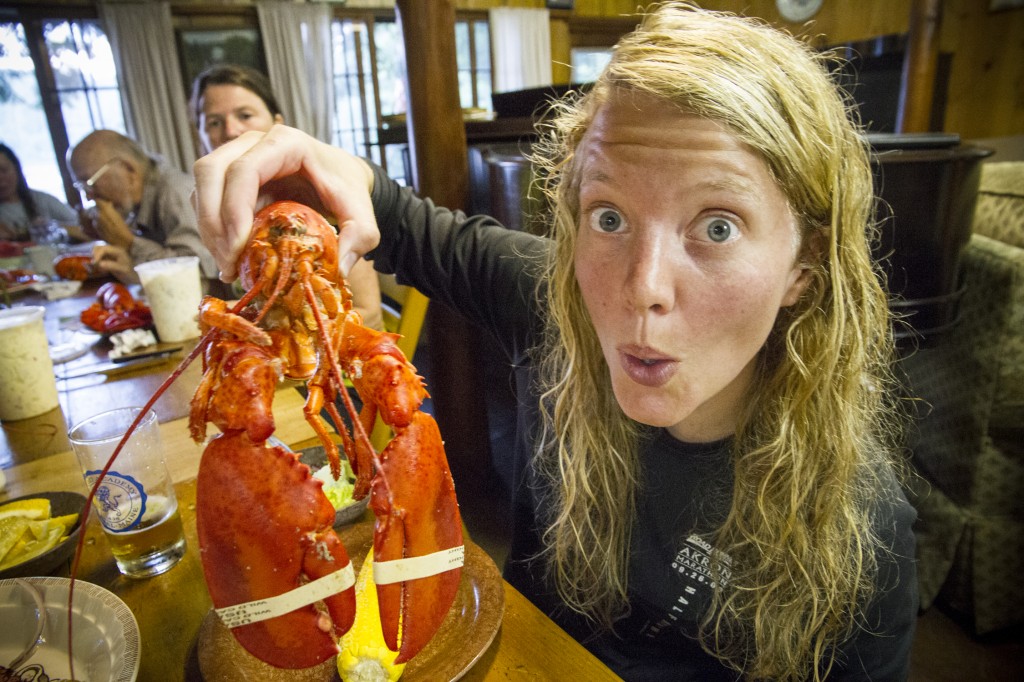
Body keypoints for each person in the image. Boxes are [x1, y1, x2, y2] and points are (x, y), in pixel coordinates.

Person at [192, 5, 918, 680]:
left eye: (717, 226)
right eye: (609, 217)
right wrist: (295, 163)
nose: (643, 288)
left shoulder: (865, 529)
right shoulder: (557, 300)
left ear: (804, 267)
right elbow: (400, 222)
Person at [190, 63, 383, 330]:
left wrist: (268, 324)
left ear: (278, 125)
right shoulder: (213, 207)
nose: (230, 130)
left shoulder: (320, 197)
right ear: (199, 134)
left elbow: (369, 313)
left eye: (245, 115)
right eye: (214, 122)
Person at [66, 129, 222, 291]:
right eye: (81, 187)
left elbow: (200, 270)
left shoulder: (175, 193)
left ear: (128, 169)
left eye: (89, 183)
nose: (89, 196)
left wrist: (129, 243)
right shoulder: (132, 204)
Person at [0, 143, 80, 242]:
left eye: (4, 170)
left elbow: (82, 228)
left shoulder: (42, 200)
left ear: (16, 169)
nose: (1, 179)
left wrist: (52, 226)